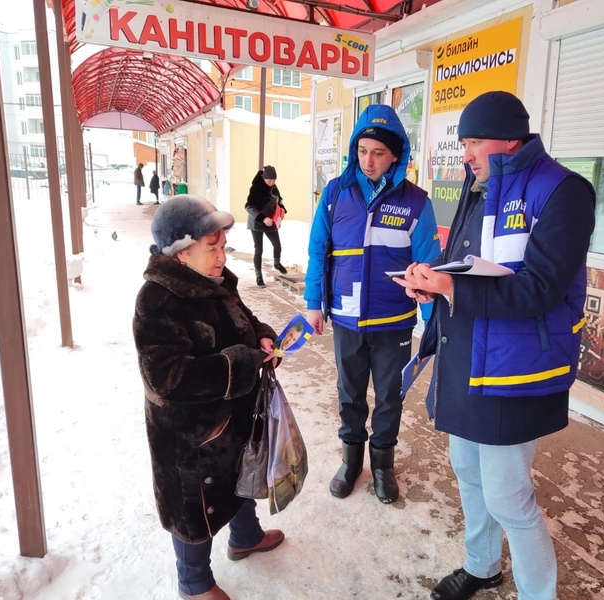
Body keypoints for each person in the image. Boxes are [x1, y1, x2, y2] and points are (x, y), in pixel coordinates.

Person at [393, 91, 596, 600]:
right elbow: (461, 262)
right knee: (467, 473)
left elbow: (543, 288)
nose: (466, 154)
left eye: (474, 142)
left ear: (510, 137)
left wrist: (454, 287)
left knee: (509, 497)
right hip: (463, 356)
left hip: (512, 368)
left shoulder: (564, 191)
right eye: (464, 144)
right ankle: (482, 566)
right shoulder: (479, 184)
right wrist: (431, 284)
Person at [132, 195, 285, 600]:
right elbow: (167, 377)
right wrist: (241, 366)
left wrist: (262, 335)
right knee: (193, 508)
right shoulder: (158, 300)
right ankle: (194, 582)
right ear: (180, 253)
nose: (221, 256)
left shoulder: (214, 282)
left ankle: (245, 536)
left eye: (222, 246)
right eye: (211, 248)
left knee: (241, 476)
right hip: (191, 437)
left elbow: (242, 319)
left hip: (231, 420)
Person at [304, 104, 441, 504]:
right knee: (349, 394)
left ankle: (382, 465)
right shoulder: (335, 193)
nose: (369, 160)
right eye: (362, 150)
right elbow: (317, 251)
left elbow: (428, 266)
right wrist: (315, 302)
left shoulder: (417, 202)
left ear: (396, 153)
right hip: (347, 318)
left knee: (389, 396)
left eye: (378, 152)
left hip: (394, 320)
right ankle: (351, 462)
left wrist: (431, 319)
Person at [245, 165, 287, 288]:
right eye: (270, 180)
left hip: (271, 221)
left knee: (277, 244)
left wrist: (283, 209)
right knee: (259, 249)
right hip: (257, 223)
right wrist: (263, 218)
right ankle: (259, 276)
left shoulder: (273, 187)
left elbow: (279, 201)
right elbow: (249, 207)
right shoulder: (256, 188)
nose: (272, 183)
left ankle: (277, 263)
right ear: (264, 178)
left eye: (274, 180)